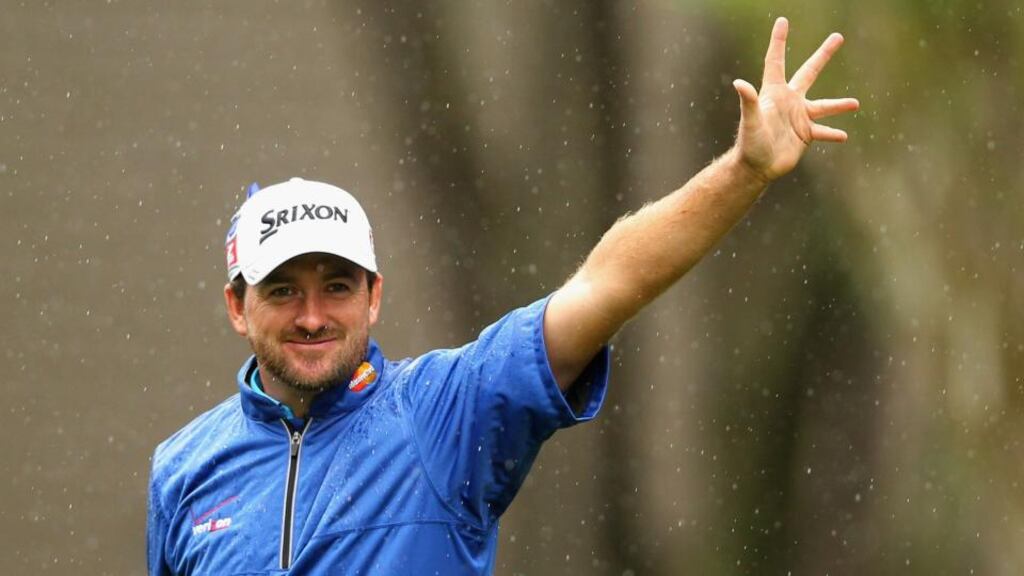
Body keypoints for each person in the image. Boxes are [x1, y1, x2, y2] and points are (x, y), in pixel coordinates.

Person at [147, 17, 858, 575]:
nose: (312, 315)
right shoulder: (183, 470)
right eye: (282, 291)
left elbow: (608, 282)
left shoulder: (443, 413)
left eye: (336, 287)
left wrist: (743, 171)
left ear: (374, 298)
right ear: (238, 307)